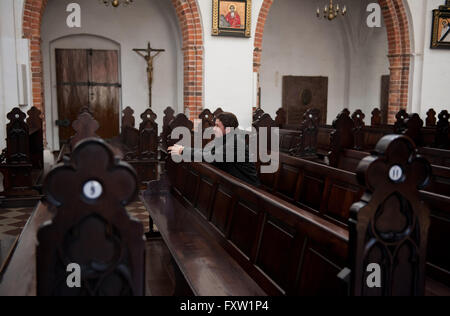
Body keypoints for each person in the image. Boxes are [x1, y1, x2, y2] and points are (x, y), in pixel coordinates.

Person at [169, 112, 260, 187]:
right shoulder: (222, 139)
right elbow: (205, 152)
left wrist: (184, 151)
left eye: (217, 126)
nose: (214, 129)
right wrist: (184, 149)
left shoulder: (236, 142)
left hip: (248, 188)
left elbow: (210, 156)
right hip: (235, 183)